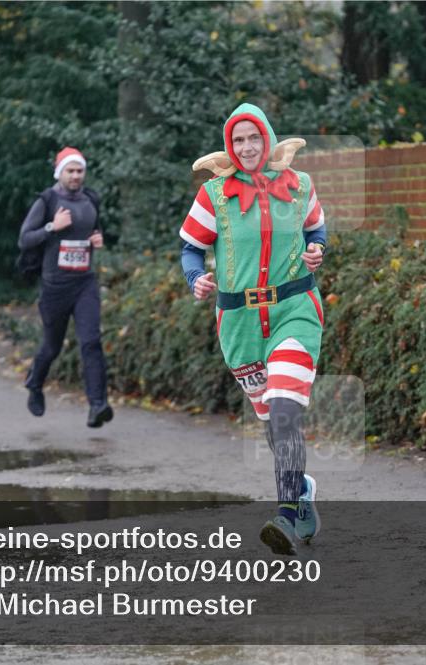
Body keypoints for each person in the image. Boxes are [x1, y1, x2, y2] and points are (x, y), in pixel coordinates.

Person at [180, 103, 326, 555]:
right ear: (230, 145)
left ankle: (285, 516)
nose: (246, 147)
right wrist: (195, 277)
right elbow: (190, 247)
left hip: (294, 310)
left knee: (284, 409)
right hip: (240, 325)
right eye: (238, 140)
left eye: (254, 137)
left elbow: (317, 231)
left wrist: (317, 250)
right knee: (270, 419)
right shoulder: (214, 195)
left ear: (268, 138)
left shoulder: (300, 185)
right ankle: (301, 492)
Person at [18, 147, 113, 428]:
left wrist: (97, 239)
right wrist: (52, 226)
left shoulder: (90, 199)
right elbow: (24, 239)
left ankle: (97, 405)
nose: (75, 176)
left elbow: (93, 229)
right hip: (55, 287)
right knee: (52, 346)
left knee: (91, 341)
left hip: (85, 283)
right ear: (60, 173)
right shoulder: (47, 200)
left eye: (79, 171)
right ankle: (35, 383)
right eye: (70, 171)